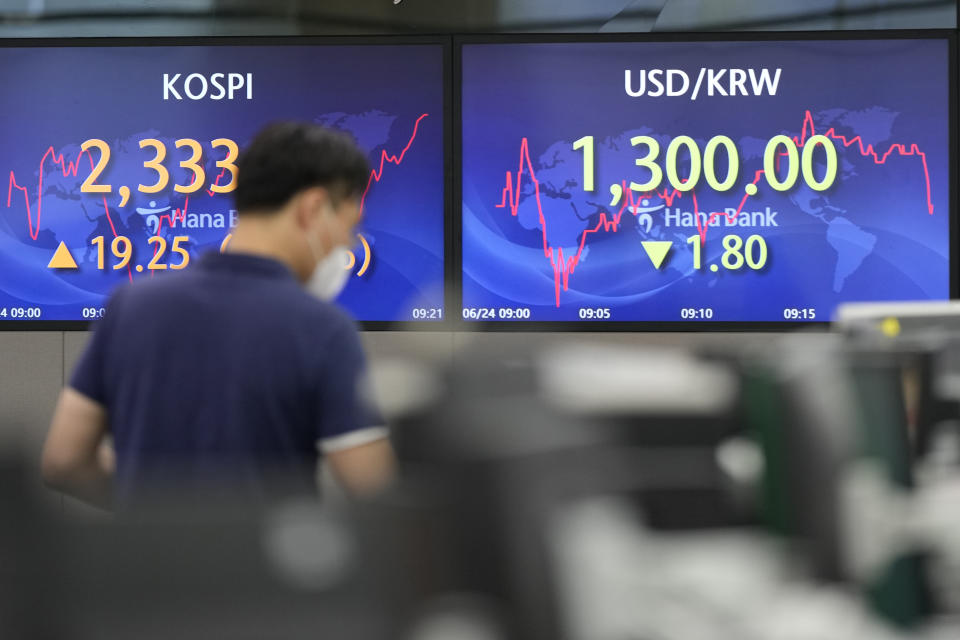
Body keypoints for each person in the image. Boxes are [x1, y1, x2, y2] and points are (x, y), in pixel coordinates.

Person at [41, 122, 396, 510]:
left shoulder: (129, 307)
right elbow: (373, 494)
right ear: (312, 208)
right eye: (347, 224)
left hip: (143, 566)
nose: (348, 242)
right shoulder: (323, 329)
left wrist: (146, 504)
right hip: (270, 566)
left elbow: (64, 461)